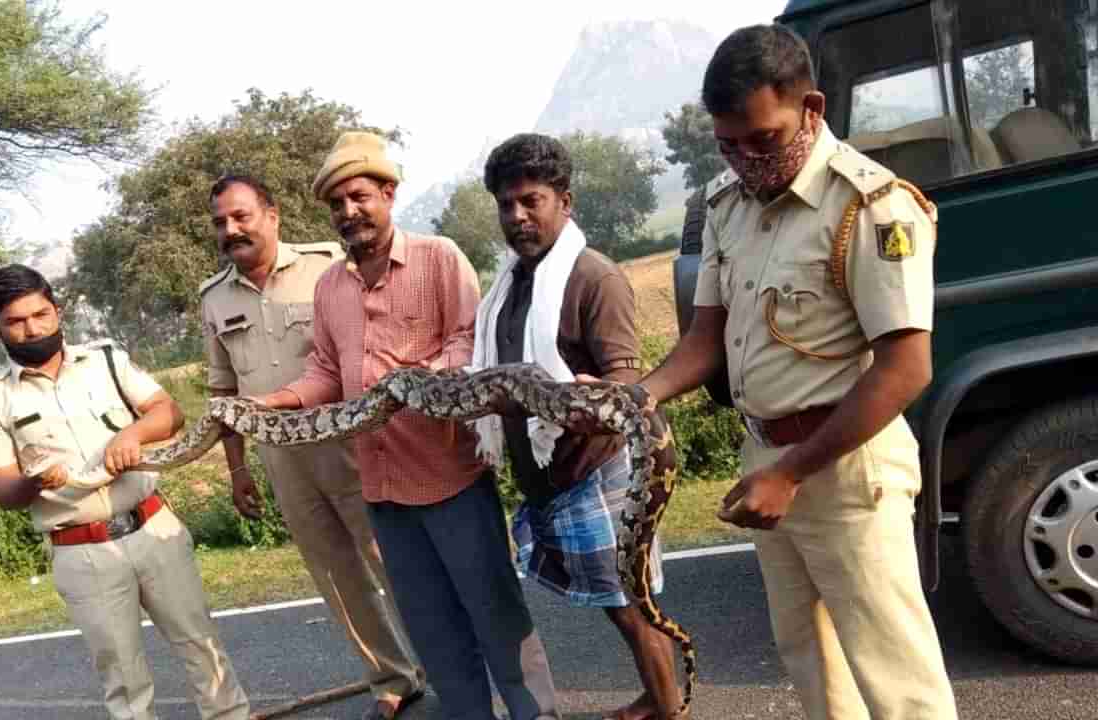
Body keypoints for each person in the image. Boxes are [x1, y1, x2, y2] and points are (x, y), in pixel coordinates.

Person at [633, 25, 959, 720]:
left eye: (763, 139)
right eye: (728, 145)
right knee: (811, 663)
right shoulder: (728, 209)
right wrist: (635, 396)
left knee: (898, 680)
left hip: (845, 468)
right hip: (766, 459)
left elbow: (906, 367)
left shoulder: (870, 206)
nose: (747, 161)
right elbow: (703, 343)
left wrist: (792, 472)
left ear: (810, 107)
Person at [250, 131, 560, 720]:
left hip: (450, 478)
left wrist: (413, 382)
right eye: (337, 203)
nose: (348, 212)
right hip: (382, 492)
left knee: (496, 617)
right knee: (434, 632)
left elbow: (471, 341)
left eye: (359, 197)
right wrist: (280, 402)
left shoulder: (438, 257)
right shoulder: (330, 286)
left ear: (388, 194)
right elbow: (323, 367)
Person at [0, 264, 251, 720]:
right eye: (15, 321)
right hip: (82, 551)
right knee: (123, 677)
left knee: (201, 644)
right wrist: (34, 481)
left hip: (154, 527)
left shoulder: (106, 360)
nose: (31, 328)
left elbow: (168, 412)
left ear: (57, 310)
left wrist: (131, 436)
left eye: (40, 314)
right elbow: (3, 489)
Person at [469, 133, 682, 720]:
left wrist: (577, 401)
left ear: (565, 200)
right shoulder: (511, 285)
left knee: (631, 606)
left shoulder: (594, 278)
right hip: (551, 475)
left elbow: (624, 382)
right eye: (506, 204)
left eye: (530, 201)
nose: (517, 216)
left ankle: (670, 710)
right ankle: (660, 695)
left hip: (599, 468)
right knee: (623, 605)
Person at [198, 173, 425, 720]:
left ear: (271, 215)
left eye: (241, 216)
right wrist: (237, 470)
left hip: (350, 442)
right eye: (221, 222)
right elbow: (222, 391)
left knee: (391, 561)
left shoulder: (328, 265)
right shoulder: (212, 298)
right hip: (283, 460)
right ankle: (392, 680)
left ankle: (447, 668)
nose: (231, 230)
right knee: (335, 576)